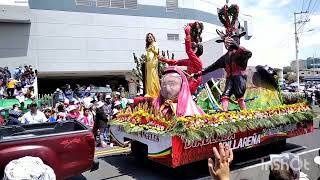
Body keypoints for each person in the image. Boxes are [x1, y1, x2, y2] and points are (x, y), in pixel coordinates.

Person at [194, 24, 252, 111]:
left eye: (230, 41)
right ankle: (225, 112)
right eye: (226, 41)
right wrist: (200, 73)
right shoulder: (225, 57)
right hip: (230, 78)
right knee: (225, 95)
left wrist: (237, 46)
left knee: (239, 95)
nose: (227, 43)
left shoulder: (241, 53)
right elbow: (212, 67)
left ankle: (245, 112)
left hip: (240, 78)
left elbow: (248, 53)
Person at [159, 24, 203, 95]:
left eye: (193, 48)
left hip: (194, 80)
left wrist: (187, 34)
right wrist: (165, 60)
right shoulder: (190, 61)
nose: (191, 49)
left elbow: (188, 50)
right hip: (189, 80)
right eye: (192, 47)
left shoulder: (197, 61)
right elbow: (177, 62)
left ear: (198, 49)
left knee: (183, 94)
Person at [145, 33, 161, 98]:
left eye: (150, 37)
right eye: (148, 37)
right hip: (148, 62)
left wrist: (152, 49)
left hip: (153, 61)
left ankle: (154, 92)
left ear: (153, 37)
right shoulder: (149, 45)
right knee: (149, 77)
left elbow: (157, 53)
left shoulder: (155, 43)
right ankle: (149, 92)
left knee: (152, 76)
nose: (149, 38)